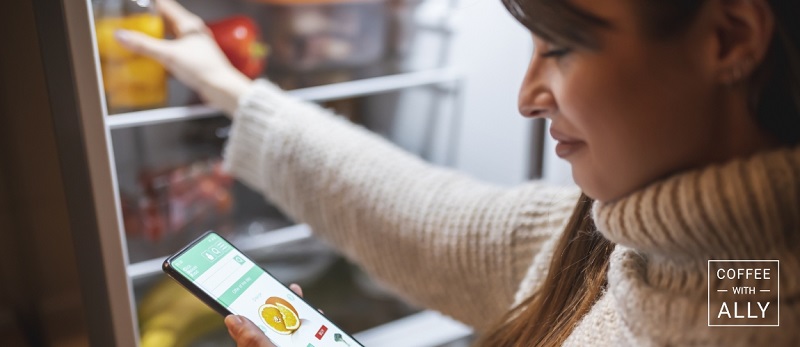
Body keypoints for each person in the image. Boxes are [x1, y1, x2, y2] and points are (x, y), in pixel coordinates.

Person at [116, 0, 800, 345]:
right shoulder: (614, 241)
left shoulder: (758, 301)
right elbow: (423, 215)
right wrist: (231, 90)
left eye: (560, 48)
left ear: (731, 38)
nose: (527, 96)